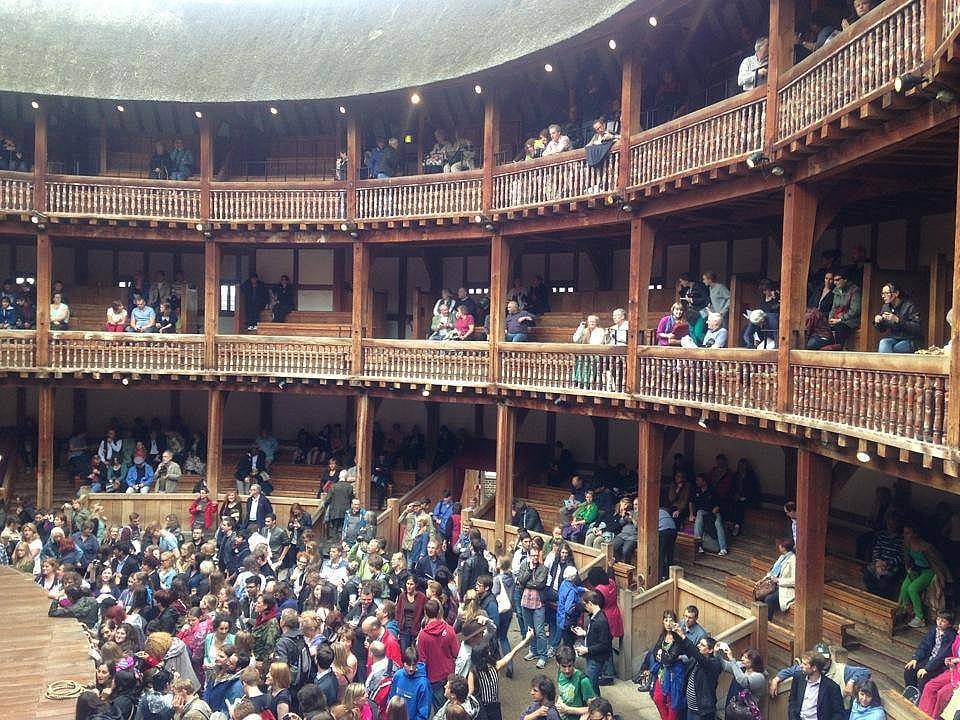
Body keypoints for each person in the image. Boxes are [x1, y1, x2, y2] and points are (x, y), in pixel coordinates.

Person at [785, 651, 846, 720]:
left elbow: (839, 713)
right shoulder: (798, 677)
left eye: (805, 664)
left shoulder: (832, 687)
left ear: (814, 668)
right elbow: (793, 700)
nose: (801, 666)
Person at [905, 610, 956, 691]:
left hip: (940, 665)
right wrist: (915, 658)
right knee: (909, 669)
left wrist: (927, 668)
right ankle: (910, 692)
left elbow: (941, 656)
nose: (939, 622)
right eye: (938, 619)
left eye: (943, 621)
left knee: (923, 677)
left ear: (949, 624)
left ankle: (920, 699)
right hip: (929, 658)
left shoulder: (951, 636)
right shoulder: (934, 630)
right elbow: (924, 645)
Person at [572, 589, 611, 695]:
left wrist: (586, 649)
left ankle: (595, 707)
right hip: (592, 657)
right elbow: (597, 636)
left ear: (590, 603)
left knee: (590, 684)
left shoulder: (601, 621)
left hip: (596, 659)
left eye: (585, 605)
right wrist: (585, 633)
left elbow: (604, 644)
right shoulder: (595, 617)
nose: (585, 608)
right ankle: (598, 705)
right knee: (593, 684)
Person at [874, 282, 923, 353]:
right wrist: (878, 322)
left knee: (896, 348)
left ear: (896, 293)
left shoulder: (909, 306)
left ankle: (888, 364)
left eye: (887, 293)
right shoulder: (886, 307)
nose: (883, 296)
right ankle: (885, 364)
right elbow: (882, 330)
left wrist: (898, 320)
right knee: (883, 343)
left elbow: (917, 327)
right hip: (894, 338)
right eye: (882, 293)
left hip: (910, 339)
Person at [688, 474, 728, 556]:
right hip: (702, 513)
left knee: (718, 524)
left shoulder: (712, 490)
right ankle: (698, 546)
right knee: (699, 513)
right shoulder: (696, 490)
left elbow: (720, 503)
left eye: (698, 480)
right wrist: (691, 514)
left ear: (704, 481)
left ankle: (723, 548)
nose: (697, 482)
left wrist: (717, 507)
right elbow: (691, 502)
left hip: (714, 512)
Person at [389, 646, 433, 720]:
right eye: (408, 665)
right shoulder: (398, 675)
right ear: (403, 663)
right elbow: (391, 699)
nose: (411, 669)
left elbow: (423, 713)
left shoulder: (423, 683)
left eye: (414, 665)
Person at [760, 538, 796, 621]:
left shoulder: (793, 560)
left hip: (785, 588)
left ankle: (767, 622)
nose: (778, 547)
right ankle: (760, 618)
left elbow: (795, 581)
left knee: (769, 599)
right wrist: (764, 580)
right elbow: (773, 571)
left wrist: (779, 580)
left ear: (784, 547)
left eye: (780, 545)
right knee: (759, 594)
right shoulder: (782, 557)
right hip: (774, 585)